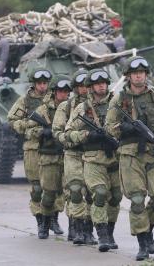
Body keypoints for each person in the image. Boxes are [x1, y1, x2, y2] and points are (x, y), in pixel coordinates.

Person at [106, 56, 154, 261]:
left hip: (153, 153)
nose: (138, 76)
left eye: (142, 73)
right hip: (130, 154)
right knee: (136, 200)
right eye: (135, 73)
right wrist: (123, 128)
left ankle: (149, 228)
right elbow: (109, 127)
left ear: (146, 75)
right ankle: (142, 241)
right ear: (128, 76)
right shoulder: (119, 99)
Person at [65, 68, 121, 252]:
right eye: (97, 84)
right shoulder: (83, 109)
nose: (102, 86)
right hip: (92, 160)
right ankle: (102, 235)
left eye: (104, 83)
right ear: (91, 87)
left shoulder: (117, 104)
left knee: (116, 198)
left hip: (114, 158)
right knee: (99, 193)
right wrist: (87, 135)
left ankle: (110, 231)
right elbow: (67, 134)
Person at [7, 68, 54, 237]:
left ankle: (52, 218)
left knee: (53, 187)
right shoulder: (25, 101)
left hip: (52, 147)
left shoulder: (54, 98)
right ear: (34, 84)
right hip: (33, 148)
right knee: (36, 188)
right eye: (40, 83)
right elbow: (12, 120)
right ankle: (40, 220)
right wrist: (29, 127)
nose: (42, 86)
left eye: (45, 83)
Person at [52, 68, 97, 244]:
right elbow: (57, 132)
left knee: (93, 194)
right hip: (73, 154)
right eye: (79, 86)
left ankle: (89, 230)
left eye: (86, 85)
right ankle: (76, 228)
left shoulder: (97, 106)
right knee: (75, 191)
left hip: (94, 154)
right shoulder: (66, 106)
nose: (84, 89)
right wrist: (75, 138)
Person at [26, 77, 72, 239]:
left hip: (66, 155)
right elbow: (28, 131)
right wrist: (42, 132)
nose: (63, 94)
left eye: (66, 91)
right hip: (48, 156)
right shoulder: (43, 110)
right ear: (54, 92)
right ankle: (44, 224)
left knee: (65, 192)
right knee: (48, 193)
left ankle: (54, 219)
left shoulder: (72, 109)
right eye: (60, 91)